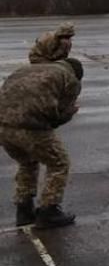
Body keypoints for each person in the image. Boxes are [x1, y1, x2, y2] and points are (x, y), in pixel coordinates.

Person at [0, 58, 83, 229]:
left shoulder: (28, 69)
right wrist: (69, 114)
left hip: (2, 125)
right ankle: (49, 211)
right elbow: (55, 116)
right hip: (29, 127)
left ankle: (24, 209)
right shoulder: (69, 78)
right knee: (59, 163)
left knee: (27, 162)